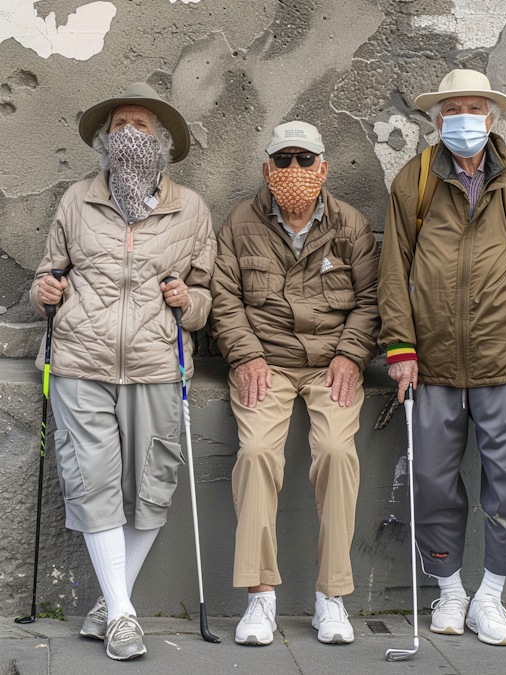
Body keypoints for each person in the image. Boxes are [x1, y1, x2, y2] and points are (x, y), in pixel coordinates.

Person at [378, 70, 506, 646]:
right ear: (438, 120)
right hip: (430, 362)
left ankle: (490, 596)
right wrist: (401, 349)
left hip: (503, 357)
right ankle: (450, 590)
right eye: (453, 110)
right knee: (435, 483)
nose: (464, 119)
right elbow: (393, 271)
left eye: (474, 109)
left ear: (492, 117)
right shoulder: (413, 180)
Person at [30, 83, 216, 660]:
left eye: (140, 125)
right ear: (104, 142)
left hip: (158, 363)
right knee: (93, 481)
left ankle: (112, 605)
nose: (128, 134)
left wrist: (192, 300)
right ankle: (124, 618)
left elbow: (210, 296)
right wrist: (44, 291)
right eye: (118, 126)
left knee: (152, 487)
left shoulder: (191, 208)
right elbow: (46, 279)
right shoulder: (76, 200)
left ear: (161, 142)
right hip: (80, 360)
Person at [210, 121, 379, 646]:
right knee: (258, 452)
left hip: (333, 363)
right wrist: (245, 356)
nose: (294, 171)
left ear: (323, 168)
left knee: (334, 452)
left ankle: (333, 596)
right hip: (267, 362)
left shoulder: (350, 224)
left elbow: (372, 300)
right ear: (266, 168)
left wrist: (352, 356)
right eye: (282, 160)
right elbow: (224, 298)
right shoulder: (239, 223)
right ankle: (260, 597)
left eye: (305, 160)